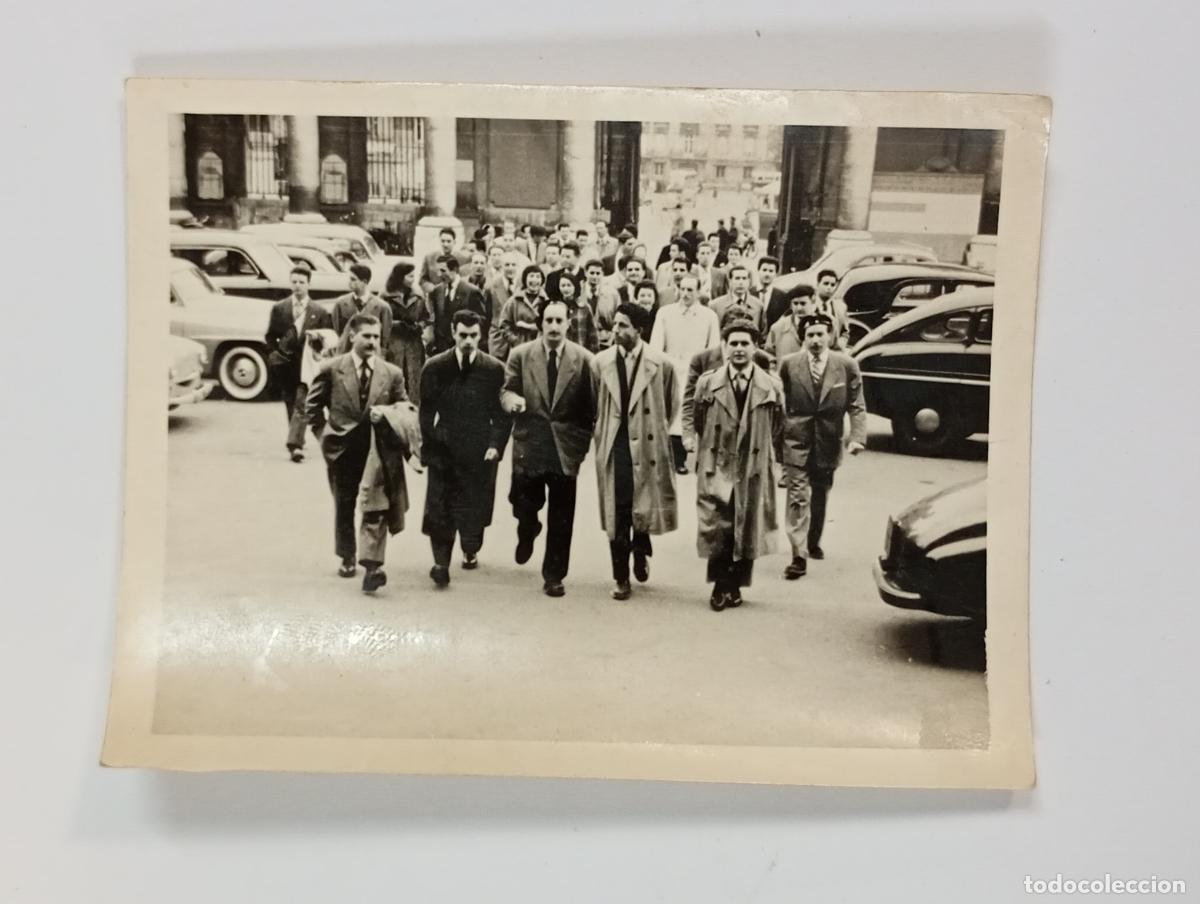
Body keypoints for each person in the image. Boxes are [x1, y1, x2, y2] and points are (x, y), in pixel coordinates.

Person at [305, 313, 410, 592]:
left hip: (377, 451)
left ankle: (372, 567)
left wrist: (386, 415)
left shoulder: (392, 373)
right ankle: (347, 555)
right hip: (342, 451)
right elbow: (312, 407)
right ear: (352, 336)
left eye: (376, 336)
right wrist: (324, 437)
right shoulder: (332, 368)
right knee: (344, 504)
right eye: (367, 336)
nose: (373, 342)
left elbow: (404, 408)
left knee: (376, 507)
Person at [684, 319, 784, 611]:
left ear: (755, 348)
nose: (739, 349)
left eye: (745, 343)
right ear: (725, 347)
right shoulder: (708, 382)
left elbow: (777, 424)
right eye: (733, 343)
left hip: (753, 462)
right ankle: (719, 584)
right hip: (718, 460)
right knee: (719, 525)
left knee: (747, 522)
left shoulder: (771, 385)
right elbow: (699, 418)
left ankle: (737, 583)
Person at [500, 300, 597, 598]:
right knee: (523, 502)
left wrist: (581, 442)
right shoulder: (520, 354)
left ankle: (554, 575)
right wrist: (512, 401)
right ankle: (527, 528)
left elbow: (591, 406)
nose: (554, 327)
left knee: (562, 515)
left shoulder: (584, 360)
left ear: (568, 324)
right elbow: (507, 389)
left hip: (565, 447)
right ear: (540, 324)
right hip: (530, 442)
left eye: (559, 321)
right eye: (549, 321)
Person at [590, 303, 678, 600]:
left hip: (647, 445)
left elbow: (670, 405)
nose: (615, 330)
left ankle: (640, 549)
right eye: (614, 324)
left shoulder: (661, 364)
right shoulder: (600, 363)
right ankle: (621, 576)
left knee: (642, 504)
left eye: (623, 325)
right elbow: (594, 403)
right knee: (618, 511)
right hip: (615, 445)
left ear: (639, 330)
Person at [419, 310, 513, 586]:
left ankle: (470, 547)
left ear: (481, 335)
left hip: (479, 447)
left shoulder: (494, 369)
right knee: (440, 507)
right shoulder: (435, 366)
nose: (468, 341)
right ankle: (441, 563)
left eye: (473, 335)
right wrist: (430, 445)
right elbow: (426, 411)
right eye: (463, 335)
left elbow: (502, 415)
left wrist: (495, 445)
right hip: (444, 444)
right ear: (453, 333)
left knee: (474, 506)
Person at [776, 313, 867, 578]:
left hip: (828, 440)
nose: (815, 340)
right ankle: (798, 555)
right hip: (796, 439)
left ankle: (813, 541)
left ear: (830, 336)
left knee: (820, 493)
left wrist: (857, 437)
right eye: (810, 335)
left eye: (820, 334)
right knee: (797, 495)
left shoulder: (846, 365)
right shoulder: (789, 364)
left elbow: (856, 404)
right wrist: (776, 438)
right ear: (803, 338)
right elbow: (779, 403)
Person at [648, 273, 720, 474]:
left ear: (698, 292)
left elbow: (713, 347)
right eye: (682, 289)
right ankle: (675, 458)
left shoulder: (709, 316)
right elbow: (656, 345)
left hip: (698, 371)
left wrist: (704, 370)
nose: (686, 294)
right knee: (673, 412)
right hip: (671, 368)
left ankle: (700, 458)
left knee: (697, 412)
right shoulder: (665, 313)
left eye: (690, 290)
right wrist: (670, 365)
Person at [265, 266, 334, 462]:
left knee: (302, 403)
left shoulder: (319, 311)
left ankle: (295, 445)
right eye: (294, 282)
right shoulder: (280, 308)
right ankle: (296, 438)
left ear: (309, 284)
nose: (297, 286)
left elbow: (328, 337)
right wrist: (275, 355)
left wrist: (317, 344)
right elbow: (271, 336)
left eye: (301, 282)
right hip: (286, 365)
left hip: (308, 365)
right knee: (290, 401)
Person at [380, 262, 428, 400]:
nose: (413, 280)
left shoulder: (418, 296)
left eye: (413, 276)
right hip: (394, 342)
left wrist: (419, 326)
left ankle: (413, 406)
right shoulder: (385, 296)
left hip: (413, 344)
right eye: (409, 276)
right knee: (395, 376)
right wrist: (396, 325)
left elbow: (426, 317)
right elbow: (380, 319)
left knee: (414, 379)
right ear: (400, 277)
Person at [426, 255, 485, 356]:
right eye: (438, 271)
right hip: (441, 349)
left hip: (463, 347)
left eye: (443, 271)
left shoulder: (471, 291)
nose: (439, 275)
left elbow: (481, 320)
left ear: (454, 269)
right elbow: (436, 319)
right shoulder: (437, 291)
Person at [490, 264, 547, 361]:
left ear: (542, 280)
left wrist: (532, 328)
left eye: (538, 277)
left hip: (540, 348)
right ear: (525, 279)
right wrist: (514, 340)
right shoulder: (514, 300)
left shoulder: (546, 301)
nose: (534, 280)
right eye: (531, 276)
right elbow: (504, 324)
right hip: (519, 347)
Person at [330, 263, 393, 350]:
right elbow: (337, 331)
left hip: (372, 352)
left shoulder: (382, 307)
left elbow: (385, 338)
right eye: (349, 279)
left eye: (353, 279)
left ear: (365, 282)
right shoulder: (340, 304)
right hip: (347, 352)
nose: (349, 282)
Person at [765, 285, 816, 366]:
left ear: (812, 301)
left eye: (803, 303)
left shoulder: (825, 325)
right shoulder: (778, 328)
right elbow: (769, 355)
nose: (799, 308)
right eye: (795, 303)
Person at [709, 265, 765, 335]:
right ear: (730, 281)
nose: (741, 282)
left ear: (749, 281)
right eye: (737, 278)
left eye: (744, 278)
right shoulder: (715, 306)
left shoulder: (758, 306)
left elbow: (763, 334)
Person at [580, 258, 619, 347]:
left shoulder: (612, 293)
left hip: (605, 340)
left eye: (598, 273)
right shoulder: (578, 291)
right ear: (585, 273)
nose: (595, 276)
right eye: (592, 273)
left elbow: (617, 317)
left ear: (602, 274)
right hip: (582, 339)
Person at [557, 270, 599, 352]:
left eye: (569, 285)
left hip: (580, 351)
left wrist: (593, 354)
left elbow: (592, 334)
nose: (566, 289)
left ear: (575, 287)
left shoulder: (584, 308)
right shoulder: (555, 307)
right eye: (563, 286)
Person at [813, 268, 851, 349]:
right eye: (826, 284)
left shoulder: (841, 307)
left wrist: (841, 344)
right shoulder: (809, 305)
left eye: (832, 285)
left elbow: (845, 332)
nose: (829, 287)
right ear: (817, 284)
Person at [420, 228, 462, 294]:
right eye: (443, 241)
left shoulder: (461, 258)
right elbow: (422, 279)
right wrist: (431, 288)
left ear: (454, 242)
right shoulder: (429, 258)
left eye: (448, 241)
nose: (445, 244)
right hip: (435, 295)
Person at [756, 256, 788, 328]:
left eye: (771, 271)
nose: (767, 274)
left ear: (776, 274)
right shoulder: (749, 293)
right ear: (758, 271)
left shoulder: (783, 296)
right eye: (764, 270)